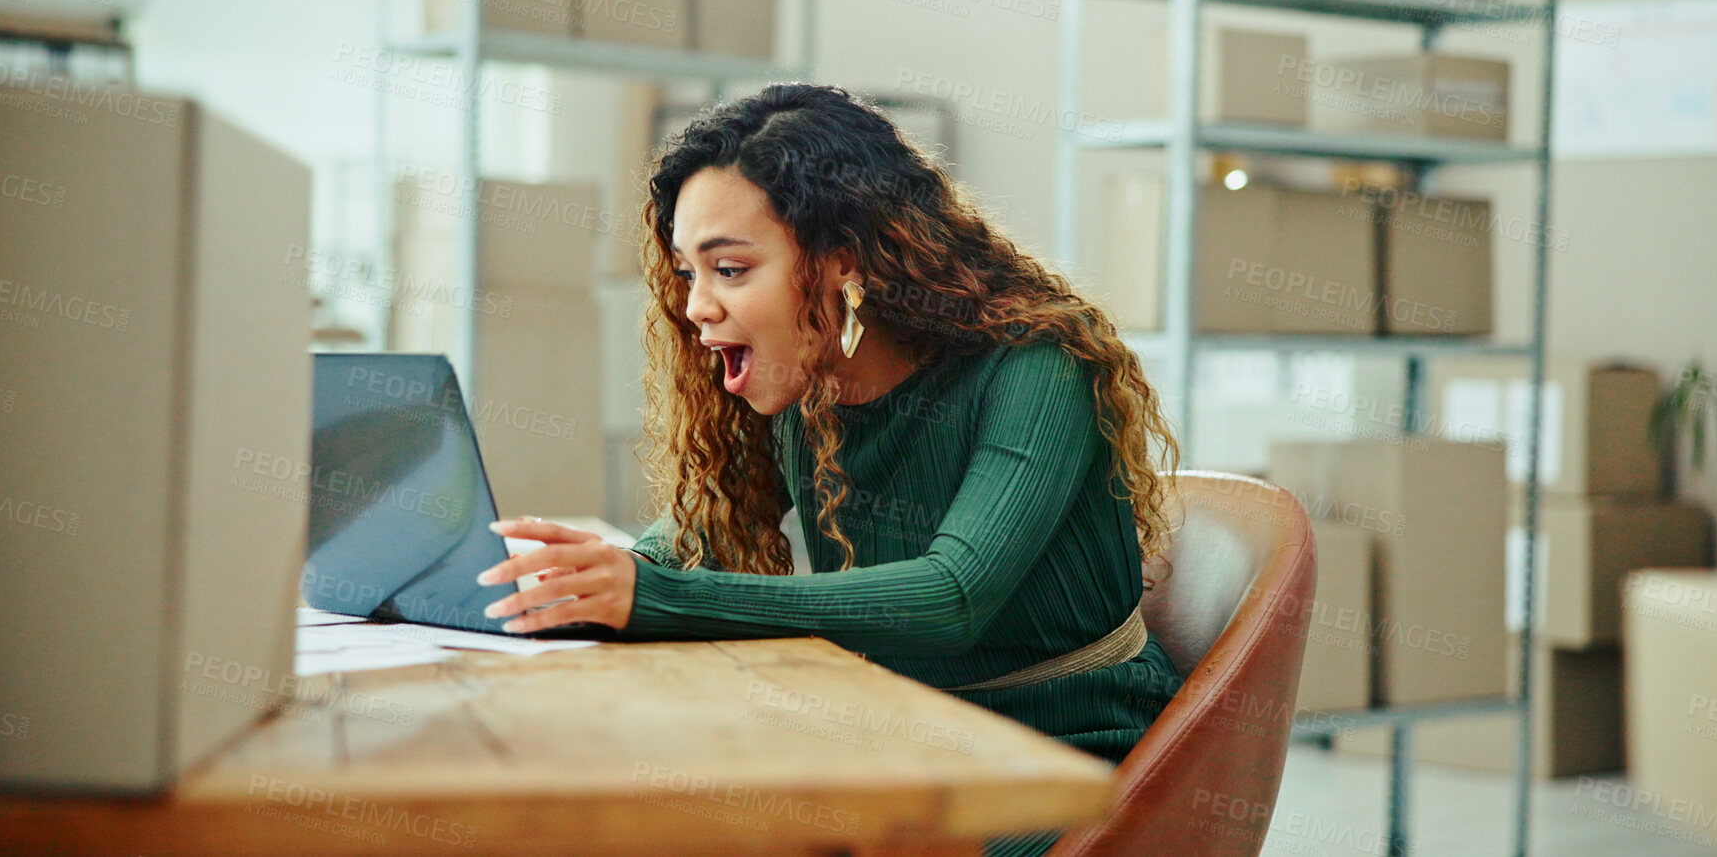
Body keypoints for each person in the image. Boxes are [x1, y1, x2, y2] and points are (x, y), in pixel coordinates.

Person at [476, 83, 1186, 857]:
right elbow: (693, 537)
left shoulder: (1036, 367)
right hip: (899, 743)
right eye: (688, 273)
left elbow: (951, 596)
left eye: (731, 269)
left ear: (842, 263)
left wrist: (648, 594)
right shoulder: (805, 382)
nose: (695, 307)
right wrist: (569, 583)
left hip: (1060, 767)